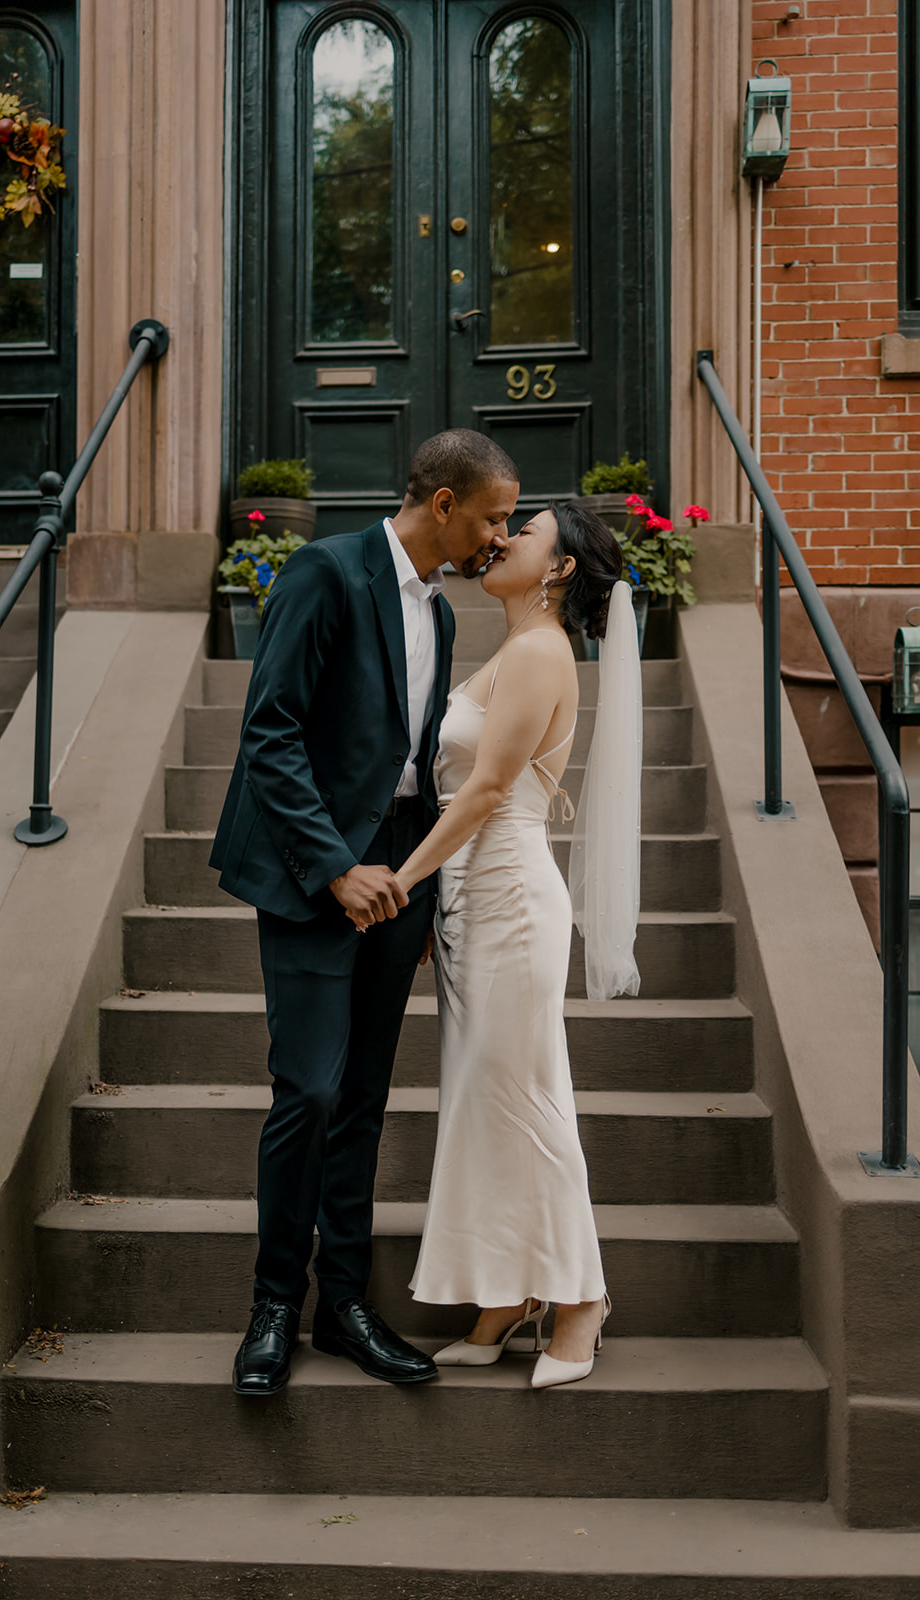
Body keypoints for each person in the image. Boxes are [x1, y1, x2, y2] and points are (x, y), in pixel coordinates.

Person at [210, 429, 518, 1396]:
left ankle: (343, 1305)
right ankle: (272, 1308)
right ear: (443, 505)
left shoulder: (445, 611)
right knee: (306, 1090)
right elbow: (270, 730)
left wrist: (417, 889)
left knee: (365, 1101)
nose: (500, 536)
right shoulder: (325, 571)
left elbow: (416, 763)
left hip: (398, 880)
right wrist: (337, 867)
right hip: (314, 876)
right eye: (493, 515)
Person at [346, 501, 642, 1389]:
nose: (503, 538)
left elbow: (481, 795)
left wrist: (401, 883)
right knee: (484, 1099)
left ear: (558, 569)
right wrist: (441, 900)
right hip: (472, 901)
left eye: (528, 532)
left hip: (510, 895)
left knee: (527, 1098)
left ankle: (580, 1297)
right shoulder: (508, 652)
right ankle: (506, 1296)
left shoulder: (542, 653)